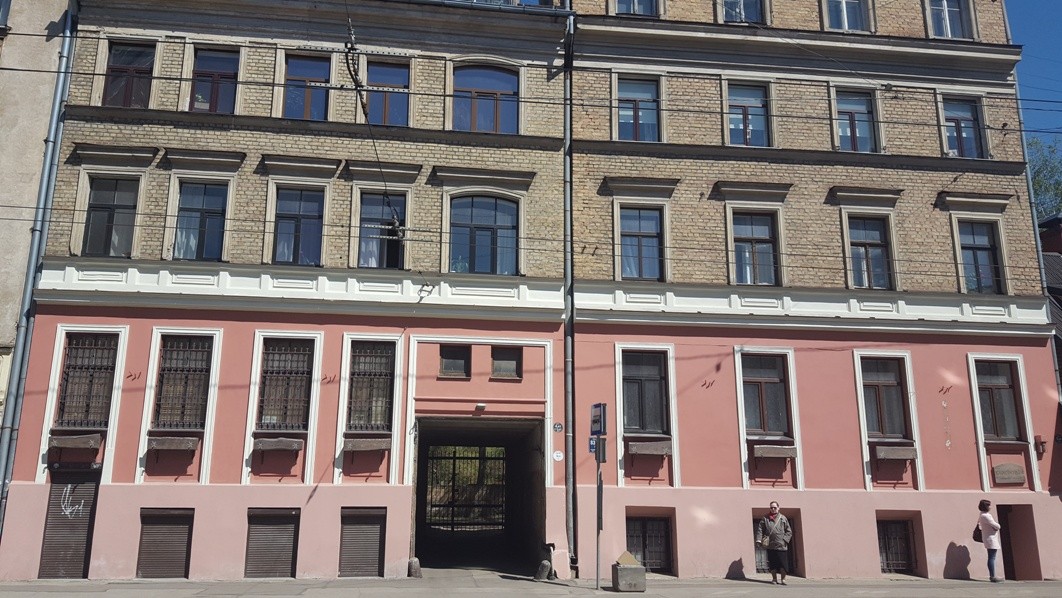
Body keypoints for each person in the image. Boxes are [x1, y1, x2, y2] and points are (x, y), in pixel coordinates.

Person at [755, 501, 793, 585]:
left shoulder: (783, 518)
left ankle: (783, 579)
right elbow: (760, 530)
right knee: (772, 564)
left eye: (774, 507)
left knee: (783, 564)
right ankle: (774, 579)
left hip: (781, 546)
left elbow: (789, 531)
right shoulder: (765, 518)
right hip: (770, 545)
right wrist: (759, 540)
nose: (773, 509)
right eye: (771, 507)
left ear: (778, 508)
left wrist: (784, 540)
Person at [977, 499, 1003, 583]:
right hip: (991, 538)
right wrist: (997, 525)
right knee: (992, 557)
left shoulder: (982, 514)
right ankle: (992, 576)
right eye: (989, 505)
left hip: (988, 538)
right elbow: (997, 526)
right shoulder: (986, 516)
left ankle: (993, 575)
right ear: (986, 506)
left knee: (991, 557)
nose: (990, 507)